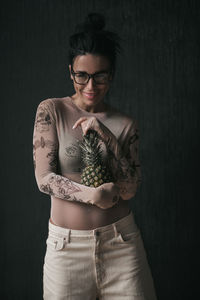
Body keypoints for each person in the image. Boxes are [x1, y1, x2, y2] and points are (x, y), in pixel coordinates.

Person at [33, 12, 157, 300]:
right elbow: (44, 178)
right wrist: (91, 196)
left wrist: (106, 136)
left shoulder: (126, 123)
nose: (90, 86)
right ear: (70, 72)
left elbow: (128, 189)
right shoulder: (51, 111)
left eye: (100, 76)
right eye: (82, 75)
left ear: (111, 74)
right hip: (66, 251)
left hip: (121, 245)